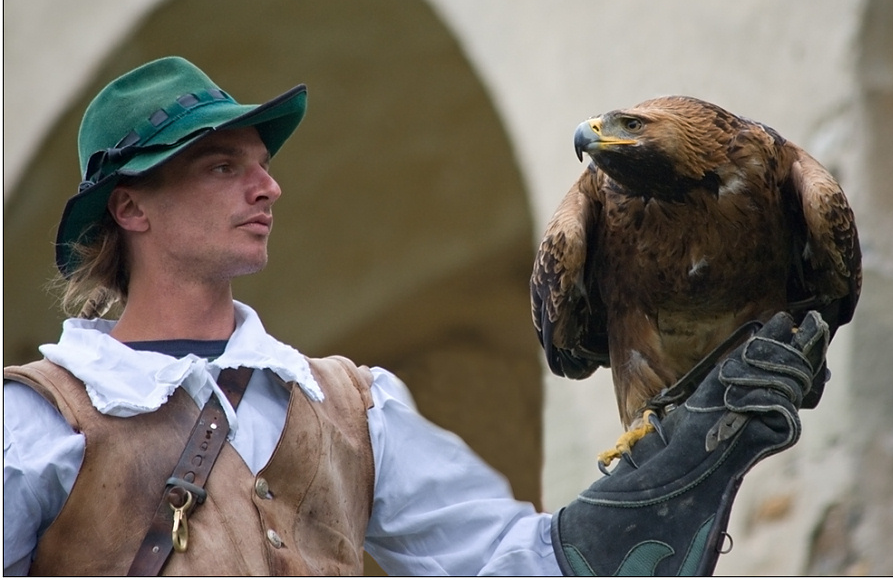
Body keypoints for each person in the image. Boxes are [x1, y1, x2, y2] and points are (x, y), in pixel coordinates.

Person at [3, 57, 831, 576]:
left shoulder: (356, 411)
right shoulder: (37, 423)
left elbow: (524, 566)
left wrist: (687, 468)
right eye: (223, 167)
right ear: (131, 210)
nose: (268, 187)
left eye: (263, 167)